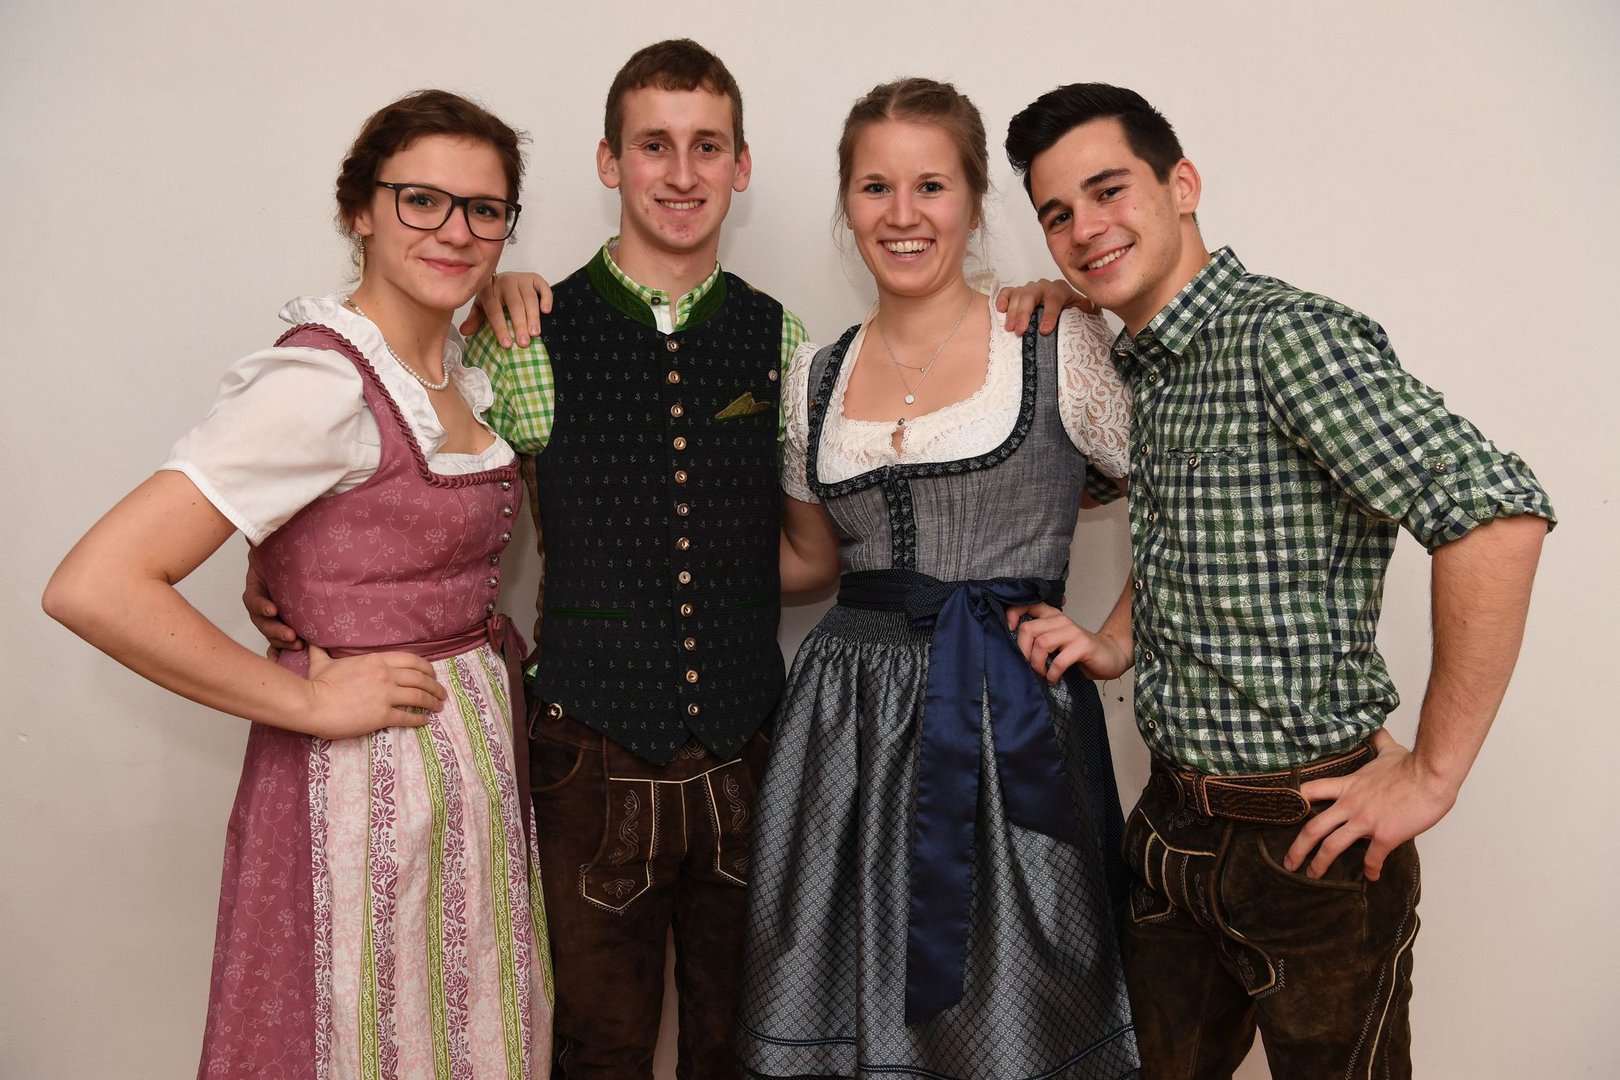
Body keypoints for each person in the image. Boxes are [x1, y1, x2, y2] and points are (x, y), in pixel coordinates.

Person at [1002, 83, 1555, 1079]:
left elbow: (1496, 514)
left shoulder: (1284, 338)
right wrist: (1115, 640)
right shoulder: (1145, 366)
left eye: (1109, 190)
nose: (1084, 228)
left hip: (1309, 848)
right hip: (1170, 831)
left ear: (1182, 184)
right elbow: (1181, 528)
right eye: (1057, 213)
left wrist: (1432, 773)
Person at [44, 90, 552, 1078]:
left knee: (463, 1033)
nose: (455, 231)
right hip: (359, 782)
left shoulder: (457, 366)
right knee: (358, 1033)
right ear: (360, 209)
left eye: (484, 210)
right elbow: (96, 584)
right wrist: (309, 703)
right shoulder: (321, 384)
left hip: (473, 771)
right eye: (421, 200)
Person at [736, 78, 1140, 1080]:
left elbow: (1187, 505)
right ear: (847, 204)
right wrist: (658, 565)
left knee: (1012, 1011)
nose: (902, 214)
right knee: (842, 996)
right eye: (875, 187)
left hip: (1007, 719)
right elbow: (809, 563)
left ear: (972, 200)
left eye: (931, 185)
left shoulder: (1054, 343)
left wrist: (1113, 637)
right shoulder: (816, 375)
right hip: (841, 732)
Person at [460, 40, 809, 1080]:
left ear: (742, 165)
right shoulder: (522, 334)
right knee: (599, 1048)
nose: (683, 172)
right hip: (589, 749)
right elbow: (424, 491)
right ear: (610, 161)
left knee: (742, 1047)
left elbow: (822, 542)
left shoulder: (780, 338)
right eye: (655, 145)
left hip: (748, 746)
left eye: (708, 146)